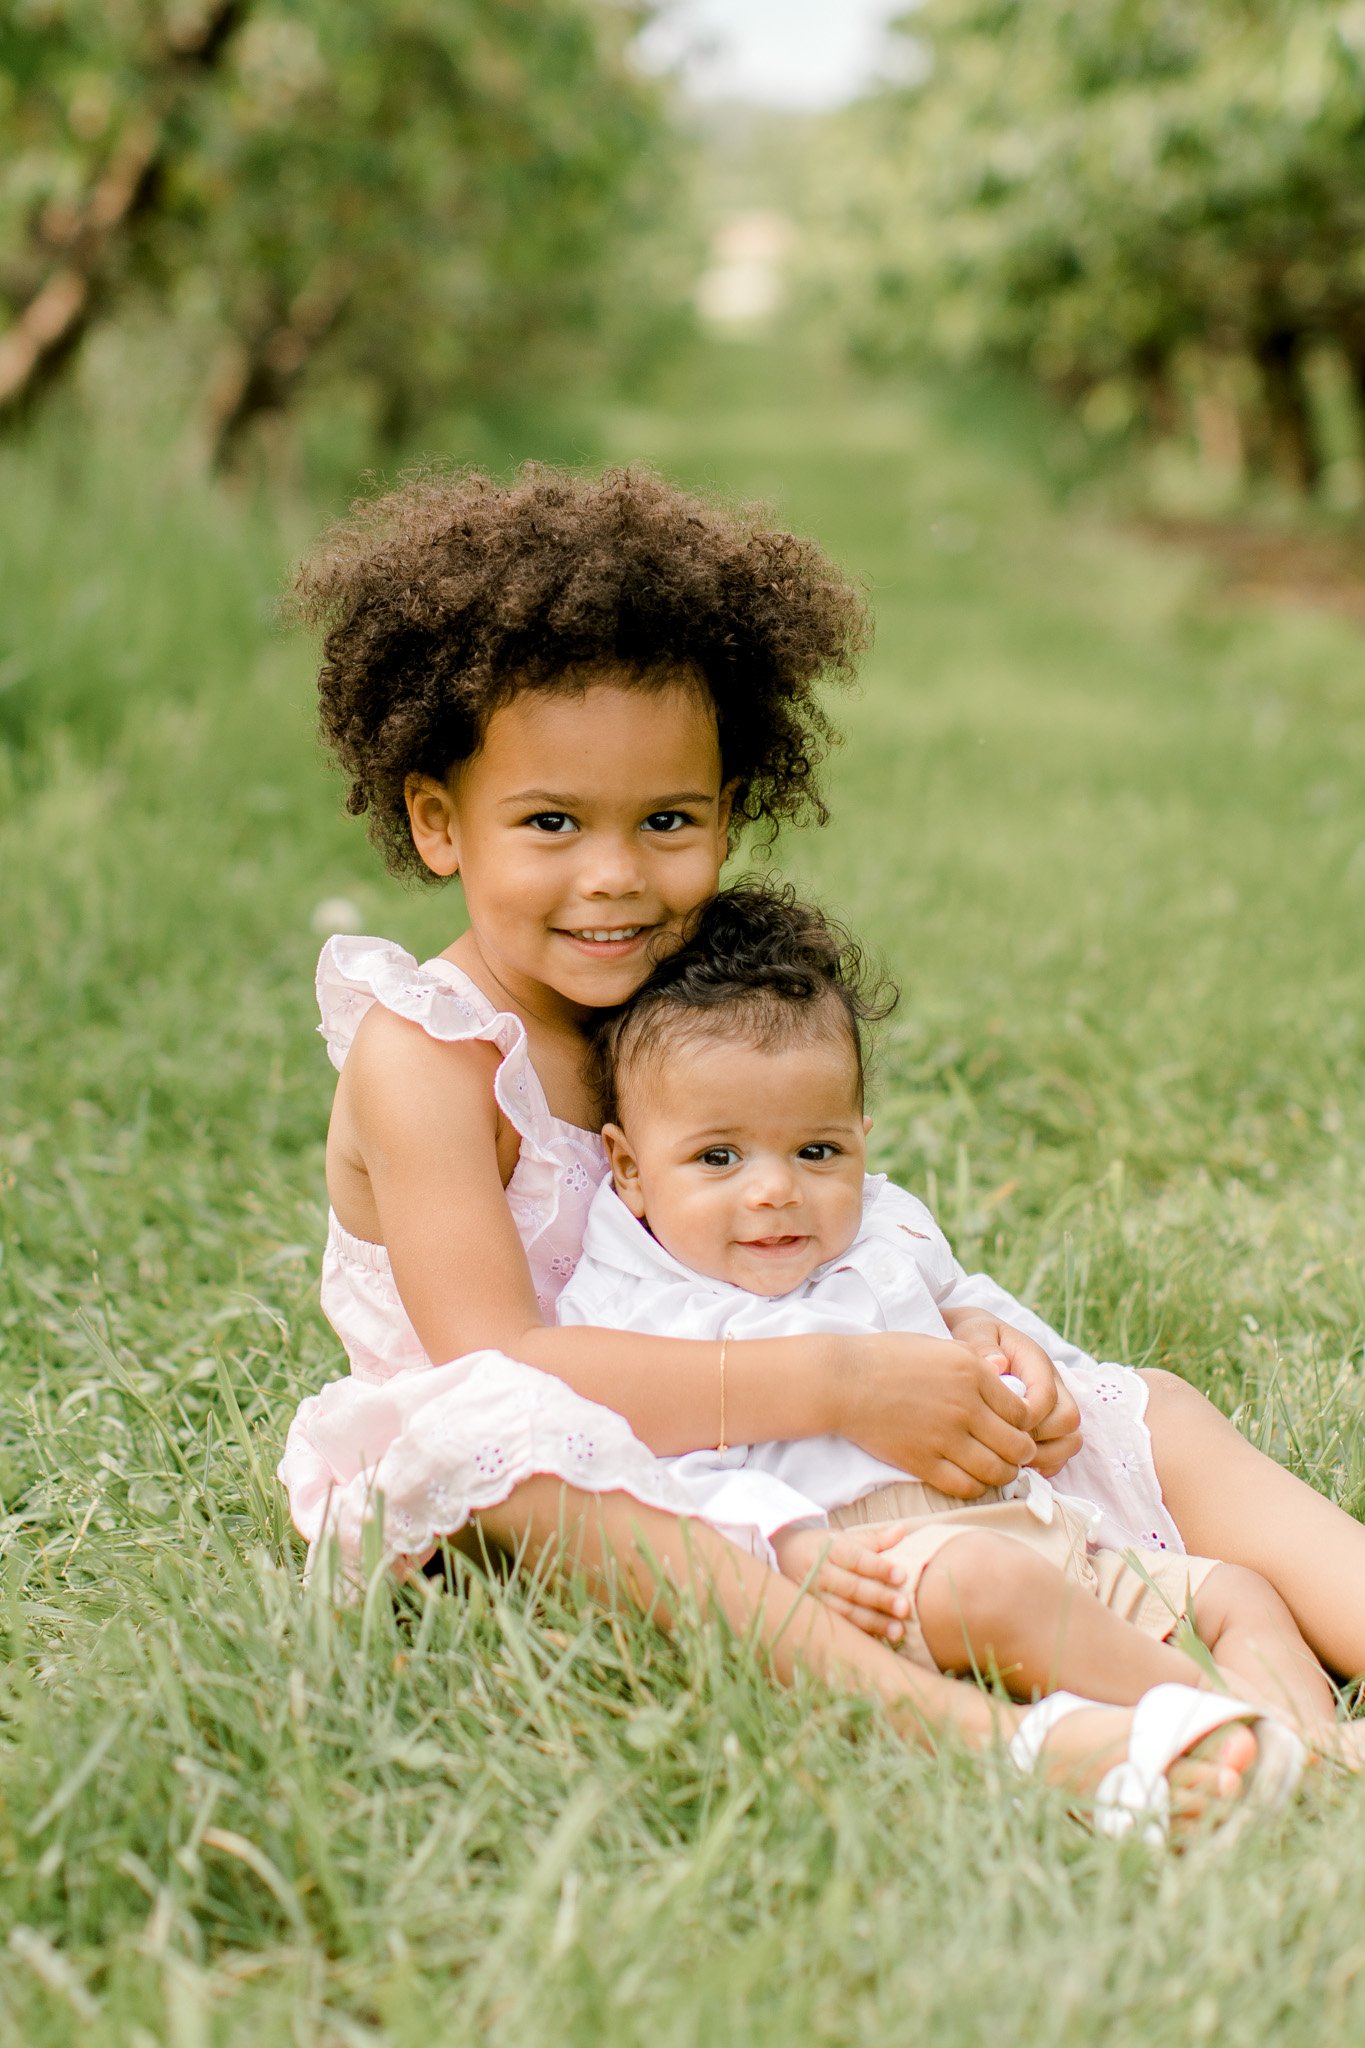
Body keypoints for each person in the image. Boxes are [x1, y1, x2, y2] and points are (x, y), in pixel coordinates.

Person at [274, 465, 1339, 1832]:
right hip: (571, 1478)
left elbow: (816, 1206)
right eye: (550, 824)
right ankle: (993, 1741)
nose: (614, 878)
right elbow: (500, 1360)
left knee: (1144, 1410)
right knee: (514, 1446)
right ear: (436, 822)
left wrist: (955, 1338)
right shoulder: (425, 1049)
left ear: (730, 806)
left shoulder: (669, 992)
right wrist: (838, 1382)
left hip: (787, 1404)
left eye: (669, 822)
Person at [557, 885, 1354, 1766]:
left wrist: (1033, 1370)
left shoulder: (881, 1226)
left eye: (817, 1151)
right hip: (891, 1567)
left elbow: (976, 1307)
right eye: (718, 1157)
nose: (775, 1188)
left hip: (1044, 1529)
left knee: (1234, 1591)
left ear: (860, 1138)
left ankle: (1314, 1737)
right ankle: (1232, 1726)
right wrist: (788, 1547)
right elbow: (646, 1471)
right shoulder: (641, 1306)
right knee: (988, 1582)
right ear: (628, 1168)